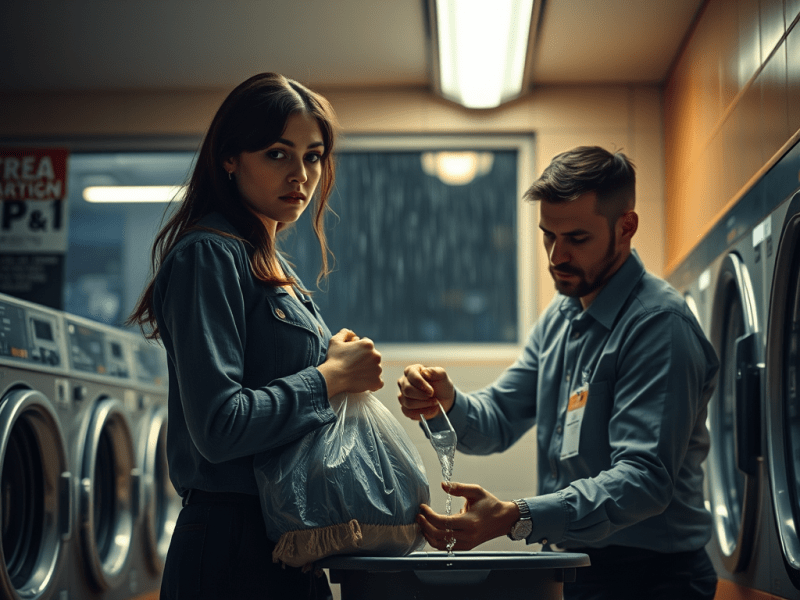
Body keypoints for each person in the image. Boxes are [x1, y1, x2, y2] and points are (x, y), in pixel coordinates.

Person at [397, 146, 720, 600]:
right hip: (581, 567)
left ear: (625, 227)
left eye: (577, 238)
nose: (556, 255)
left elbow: (644, 479)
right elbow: (500, 418)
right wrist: (445, 403)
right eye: (548, 235)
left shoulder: (658, 326)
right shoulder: (563, 315)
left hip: (655, 578)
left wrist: (516, 515)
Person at [128, 73, 383, 600]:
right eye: (276, 153)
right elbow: (220, 425)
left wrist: (333, 359)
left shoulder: (262, 261)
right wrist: (329, 376)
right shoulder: (209, 255)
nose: (301, 175)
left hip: (280, 536)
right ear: (229, 158)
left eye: (313, 156)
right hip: (232, 545)